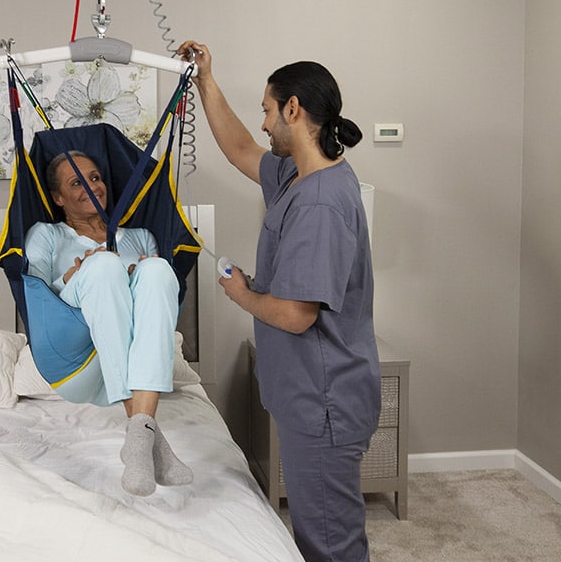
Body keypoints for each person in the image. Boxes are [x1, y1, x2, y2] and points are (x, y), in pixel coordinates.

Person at [177, 41, 380, 562]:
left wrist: (242, 292)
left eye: (268, 109)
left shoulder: (319, 203)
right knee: (319, 530)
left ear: (294, 109)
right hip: (309, 394)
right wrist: (205, 80)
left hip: (324, 400)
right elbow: (242, 150)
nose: (264, 123)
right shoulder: (302, 176)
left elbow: (295, 314)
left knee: (330, 542)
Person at [24, 150, 193, 497]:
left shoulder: (140, 237)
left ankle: (140, 439)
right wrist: (72, 276)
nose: (92, 186)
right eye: (76, 182)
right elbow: (36, 295)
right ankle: (153, 440)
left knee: (158, 269)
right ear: (58, 198)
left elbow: (150, 303)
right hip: (74, 357)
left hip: (126, 358)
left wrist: (132, 281)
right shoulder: (47, 235)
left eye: (96, 178)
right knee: (103, 267)